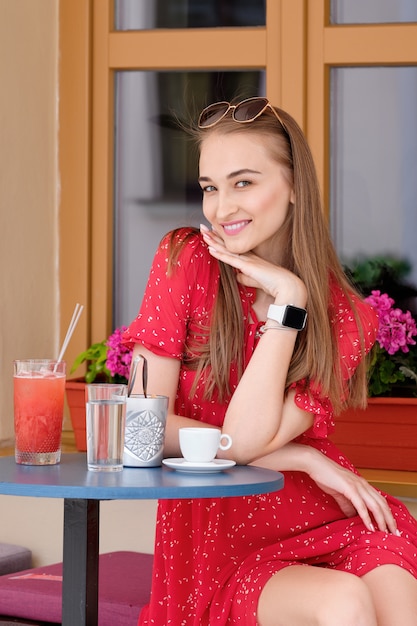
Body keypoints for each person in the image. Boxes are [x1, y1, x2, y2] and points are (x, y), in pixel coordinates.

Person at [123, 97, 417, 625]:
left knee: (399, 601)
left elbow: (244, 440)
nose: (221, 207)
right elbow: (145, 429)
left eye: (243, 183)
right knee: (342, 603)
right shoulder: (184, 260)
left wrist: (290, 296)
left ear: (296, 187)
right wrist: (304, 458)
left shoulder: (346, 315)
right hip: (221, 540)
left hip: (328, 519)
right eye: (211, 187)